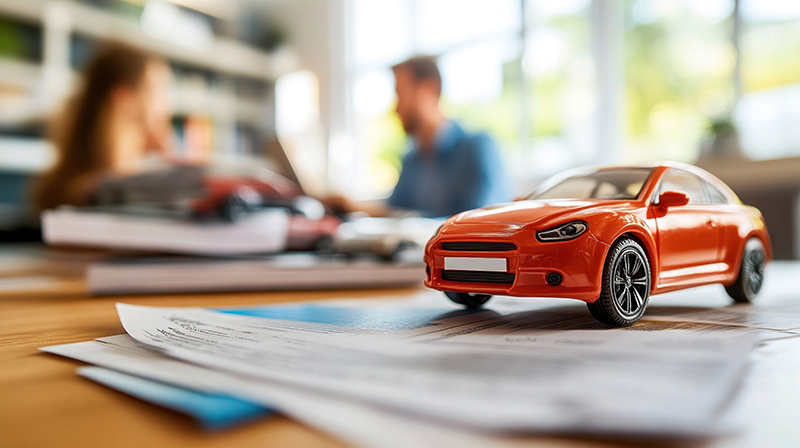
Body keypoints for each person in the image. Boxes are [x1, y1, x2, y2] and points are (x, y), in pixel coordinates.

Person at [328, 56, 510, 218]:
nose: (395, 108)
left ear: (427, 89)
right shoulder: (411, 159)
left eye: (399, 94)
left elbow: (478, 222)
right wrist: (350, 206)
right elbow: (395, 213)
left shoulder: (477, 147)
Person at [34, 43, 173, 210]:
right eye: (158, 91)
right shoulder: (87, 191)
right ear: (124, 97)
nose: (166, 106)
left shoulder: (69, 183)